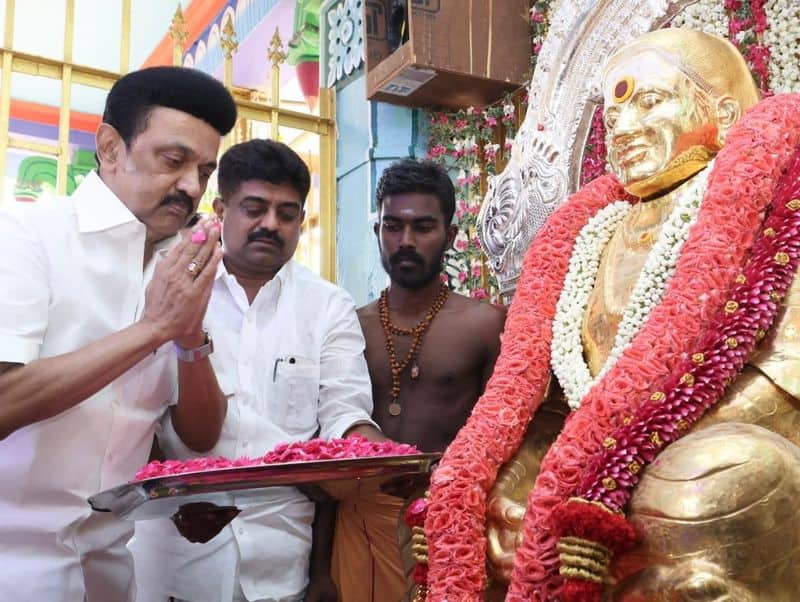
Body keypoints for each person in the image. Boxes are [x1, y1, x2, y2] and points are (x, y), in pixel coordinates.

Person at [417, 28, 800, 601]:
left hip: (719, 439)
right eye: (613, 113)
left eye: (650, 102)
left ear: (723, 113)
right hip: (593, 446)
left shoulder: (775, 205)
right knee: (473, 496)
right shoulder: (594, 234)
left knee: (703, 487)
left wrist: (633, 454)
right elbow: (559, 394)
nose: (623, 128)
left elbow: (782, 381)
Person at [0, 66, 237, 601]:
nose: (191, 187)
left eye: (204, 169)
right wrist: (154, 327)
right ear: (110, 148)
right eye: (172, 161)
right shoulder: (25, 237)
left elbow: (199, 437)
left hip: (110, 573)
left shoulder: (178, 268)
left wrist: (189, 336)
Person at [131, 138, 383, 602]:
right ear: (221, 209)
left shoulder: (327, 305)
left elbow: (344, 411)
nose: (271, 224)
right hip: (173, 556)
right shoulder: (161, 285)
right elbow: (131, 415)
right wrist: (172, 498)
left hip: (281, 559)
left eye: (287, 214)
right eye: (255, 208)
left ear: (301, 222)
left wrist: (377, 450)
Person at [331, 159, 506, 602]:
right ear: (377, 233)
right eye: (393, 226)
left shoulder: (484, 324)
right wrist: (318, 569)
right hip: (359, 521)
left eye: (423, 227)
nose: (405, 241)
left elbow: (509, 437)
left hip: (449, 525)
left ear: (449, 236)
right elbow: (328, 433)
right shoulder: (348, 326)